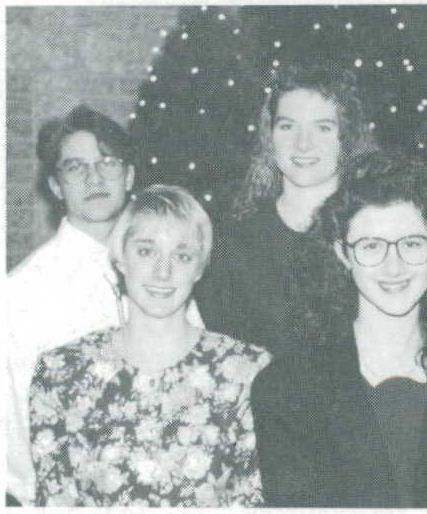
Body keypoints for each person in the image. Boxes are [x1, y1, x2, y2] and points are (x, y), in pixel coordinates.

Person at [251, 157, 427, 507]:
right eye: (371, 246)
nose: (394, 266)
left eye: (412, 243)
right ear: (342, 254)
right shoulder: (287, 388)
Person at [29, 185, 270, 507]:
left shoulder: (245, 372)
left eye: (182, 256)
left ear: (200, 268)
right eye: (146, 251)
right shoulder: (61, 374)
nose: (163, 271)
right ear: (120, 257)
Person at [195, 62, 376, 357]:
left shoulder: (376, 238)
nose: (303, 144)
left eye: (323, 127)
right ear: (270, 136)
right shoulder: (231, 245)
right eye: (287, 126)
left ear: (348, 137)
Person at [6, 105, 135, 506]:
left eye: (107, 163)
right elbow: (11, 430)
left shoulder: (161, 274)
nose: (94, 178)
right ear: (56, 186)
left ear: (129, 176)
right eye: (75, 168)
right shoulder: (22, 292)